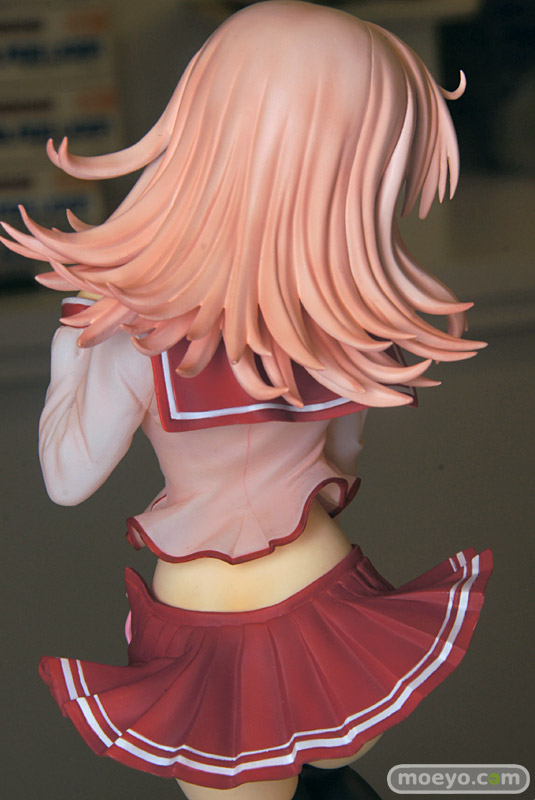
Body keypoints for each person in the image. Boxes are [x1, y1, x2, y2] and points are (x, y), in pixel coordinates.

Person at [1, 3, 492, 799]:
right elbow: (341, 463)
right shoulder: (345, 320)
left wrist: (69, 357)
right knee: (335, 781)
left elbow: (67, 480)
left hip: (207, 620)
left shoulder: (132, 339)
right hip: (327, 593)